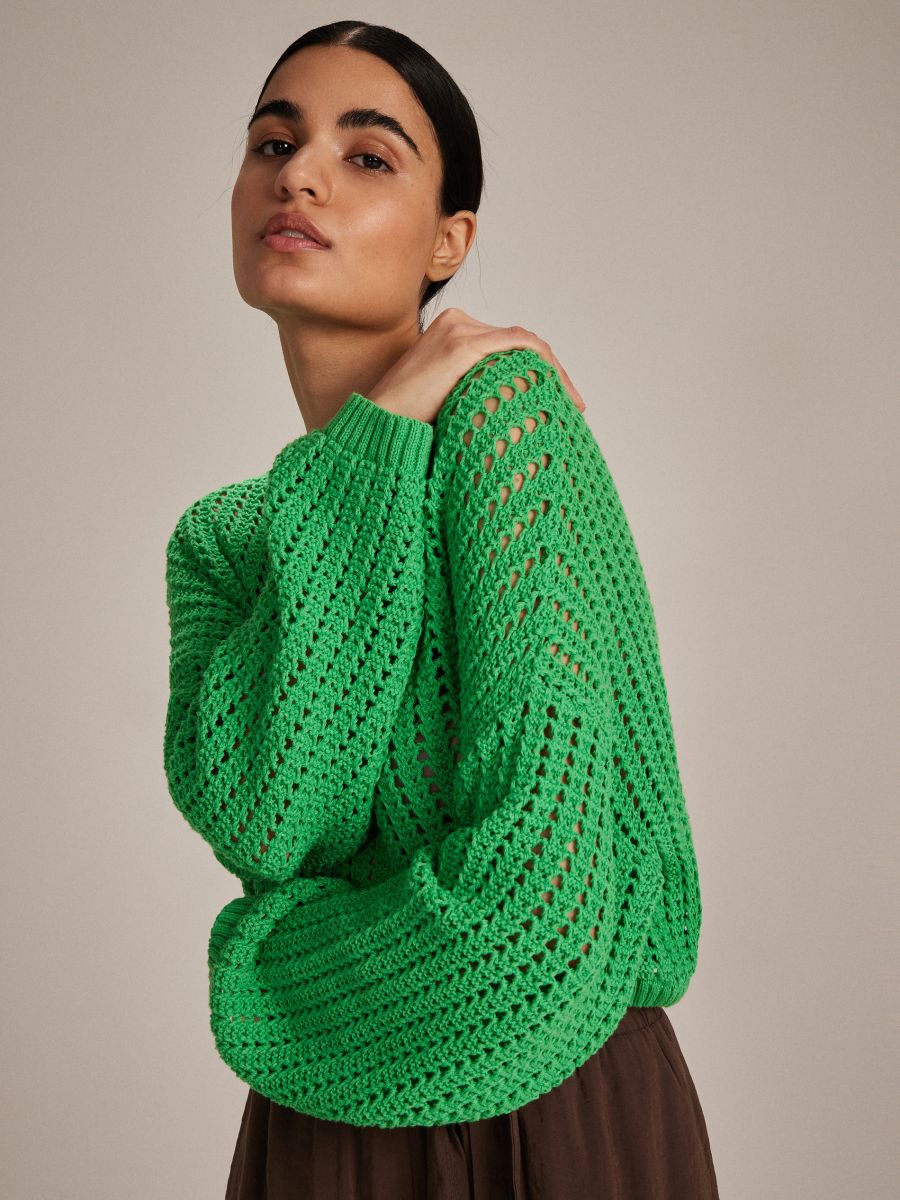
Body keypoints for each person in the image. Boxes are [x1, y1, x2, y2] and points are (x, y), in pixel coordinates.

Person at [163, 18, 720, 1199]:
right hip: (318, 1136)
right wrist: (371, 440)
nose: (299, 176)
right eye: (274, 143)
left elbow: (544, 921)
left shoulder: (506, 425)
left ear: (447, 240)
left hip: (546, 1111)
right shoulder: (225, 546)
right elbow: (268, 817)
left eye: (367, 156)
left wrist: (266, 970)